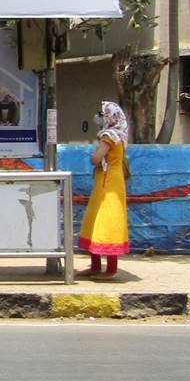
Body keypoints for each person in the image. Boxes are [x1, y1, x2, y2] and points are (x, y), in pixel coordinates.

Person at [77, 101, 130, 280]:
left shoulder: (109, 135)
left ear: (110, 117)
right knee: (95, 220)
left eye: (103, 114)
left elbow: (96, 158)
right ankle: (96, 266)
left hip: (109, 183)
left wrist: (93, 155)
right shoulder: (119, 135)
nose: (99, 117)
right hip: (107, 181)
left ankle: (110, 269)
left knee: (106, 222)